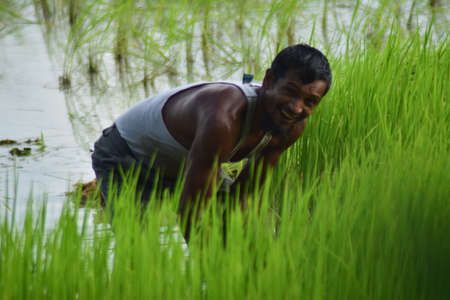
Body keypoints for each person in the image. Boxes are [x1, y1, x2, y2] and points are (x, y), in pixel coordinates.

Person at [91, 43, 332, 241]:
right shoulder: (223, 118)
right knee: (139, 257)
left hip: (186, 164)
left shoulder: (291, 127)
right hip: (127, 156)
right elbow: (191, 213)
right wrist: (209, 275)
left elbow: (244, 197)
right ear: (268, 80)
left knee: (246, 239)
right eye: (290, 91)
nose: (296, 107)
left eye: (310, 101)